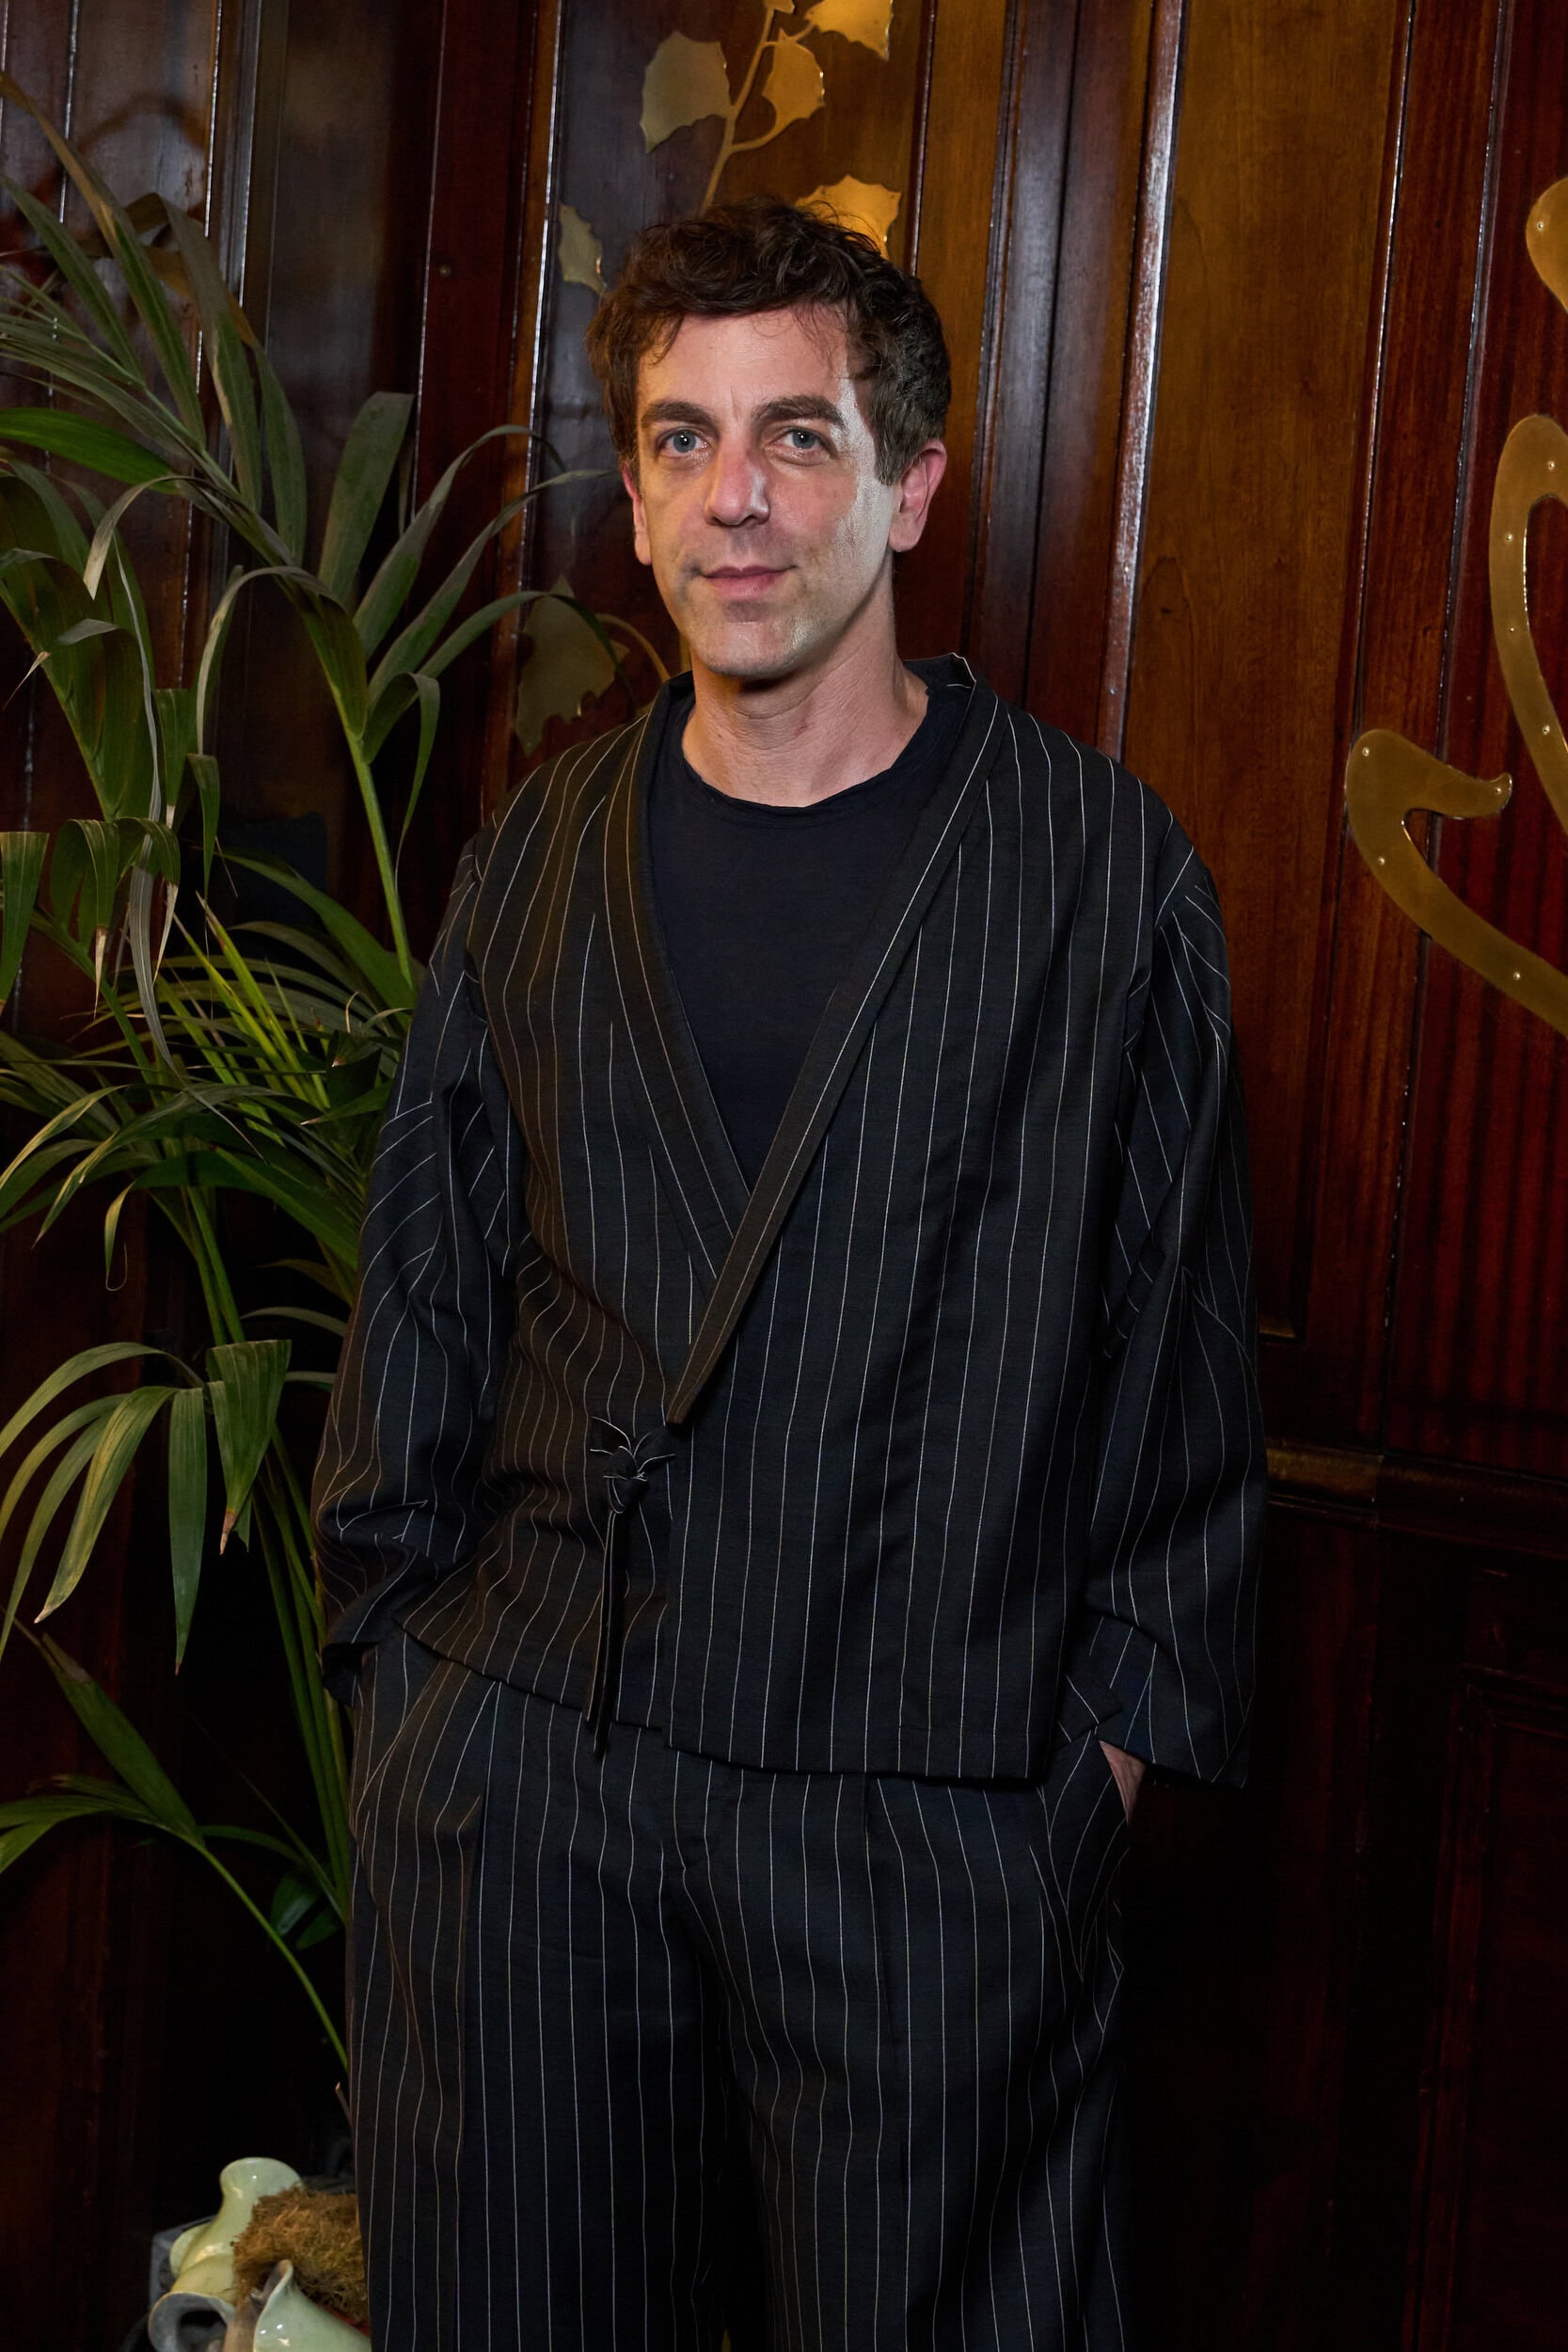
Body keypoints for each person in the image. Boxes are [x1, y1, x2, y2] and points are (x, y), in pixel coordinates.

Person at [313, 196, 1264, 2352]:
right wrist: (411, 1694)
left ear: (910, 484)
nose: (734, 494)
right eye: (681, 438)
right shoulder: (537, 853)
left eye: (797, 435)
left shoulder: (1099, 877)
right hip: (529, 1788)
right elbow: (419, 1310)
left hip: (923, 1816)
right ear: (640, 499)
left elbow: (1182, 1391)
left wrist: (1069, 1801)